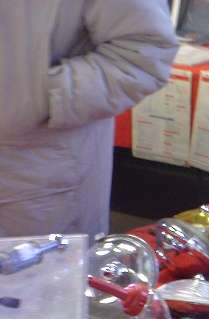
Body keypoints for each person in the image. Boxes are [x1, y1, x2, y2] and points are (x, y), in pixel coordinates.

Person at [0, 1, 179, 241]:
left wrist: (37, 97)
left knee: (39, 261)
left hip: (35, 173)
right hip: (28, 170)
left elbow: (144, 53)